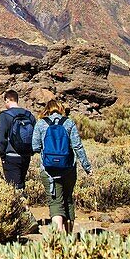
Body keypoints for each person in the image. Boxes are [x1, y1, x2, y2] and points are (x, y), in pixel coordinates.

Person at [32, 98, 92, 232]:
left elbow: (35, 146)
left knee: (55, 201)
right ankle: (69, 237)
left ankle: (58, 238)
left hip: (48, 170)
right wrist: (87, 167)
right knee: (68, 199)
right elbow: (78, 146)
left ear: (47, 110)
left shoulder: (41, 123)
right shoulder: (69, 122)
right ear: (61, 109)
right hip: (68, 169)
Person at [0, 90, 36, 191]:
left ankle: (22, 205)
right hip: (26, 155)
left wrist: (2, 154)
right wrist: (31, 151)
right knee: (21, 182)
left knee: (13, 187)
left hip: (11, 156)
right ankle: (24, 203)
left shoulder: (5, 115)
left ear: (8, 100)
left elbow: (1, 138)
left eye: (5, 102)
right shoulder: (29, 115)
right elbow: (35, 135)